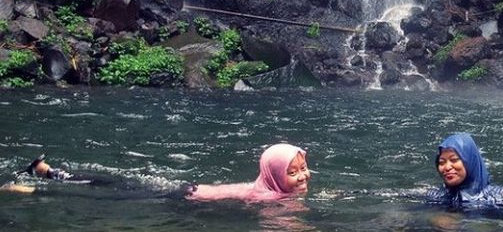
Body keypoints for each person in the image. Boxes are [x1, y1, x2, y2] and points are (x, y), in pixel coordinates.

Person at [3, 143, 311, 203]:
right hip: (178, 197)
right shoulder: (269, 196)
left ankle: (46, 171)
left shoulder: (268, 186)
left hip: (187, 189)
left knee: (110, 183)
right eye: (293, 172)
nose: (303, 175)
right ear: (271, 174)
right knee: (106, 194)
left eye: (304, 168)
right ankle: (32, 188)